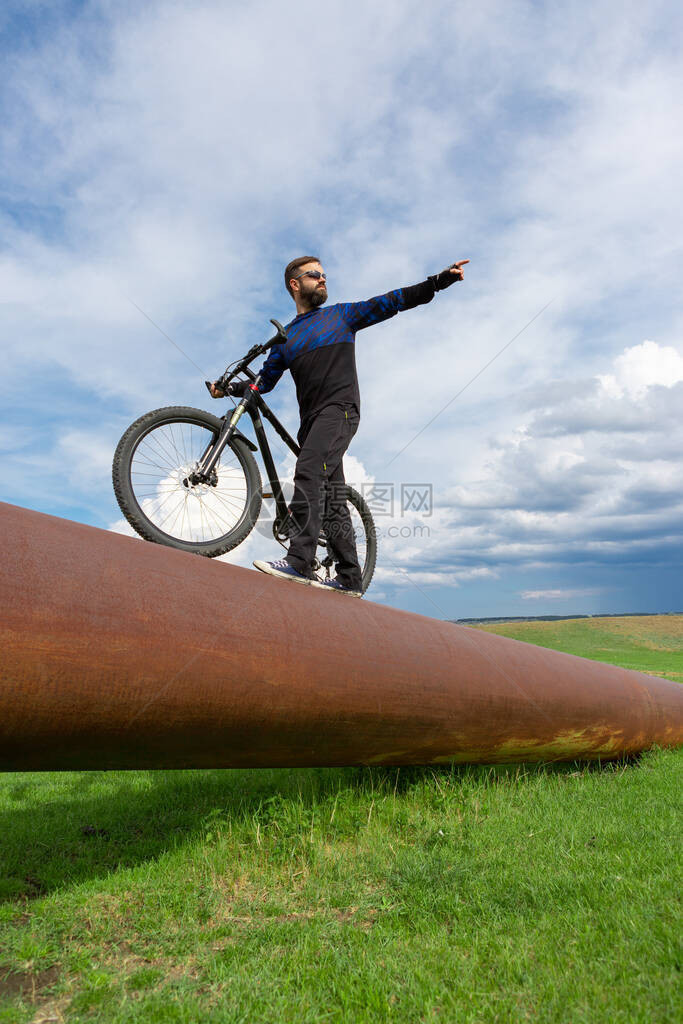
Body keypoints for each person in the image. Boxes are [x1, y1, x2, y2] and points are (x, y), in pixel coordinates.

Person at [210, 255, 469, 597]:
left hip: (341, 410)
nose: (322, 280)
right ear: (294, 284)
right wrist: (227, 388)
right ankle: (350, 578)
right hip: (312, 423)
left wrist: (437, 282)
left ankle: (300, 561)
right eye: (314, 275)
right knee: (332, 498)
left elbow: (391, 301)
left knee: (307, 471)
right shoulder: (287, 339)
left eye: (324, 275)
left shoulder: (341, 316)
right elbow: (262, 383)